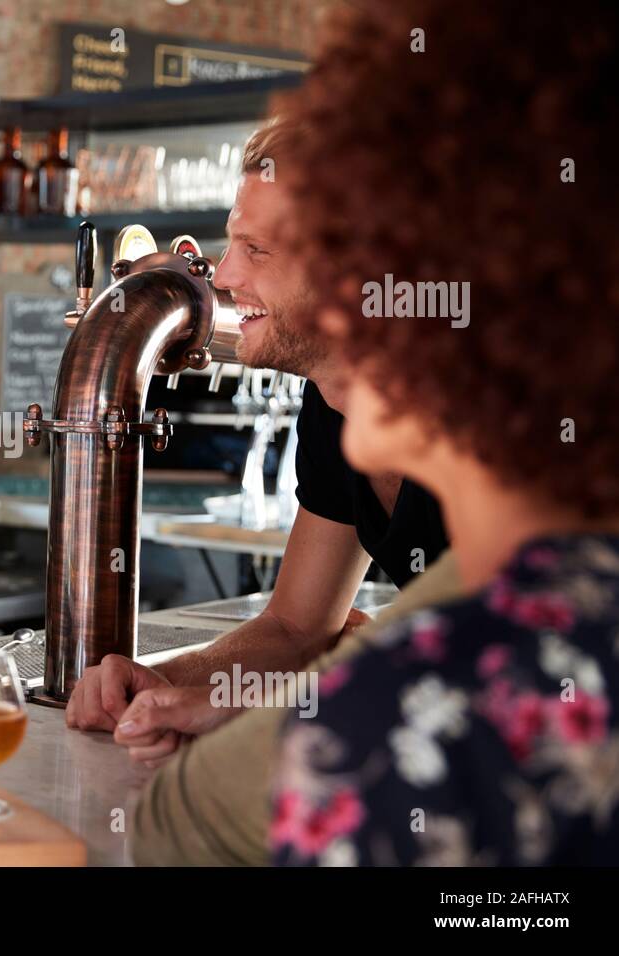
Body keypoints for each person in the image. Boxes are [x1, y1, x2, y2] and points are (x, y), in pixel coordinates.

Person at [148, 0, 619, 865]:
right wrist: (219, 685)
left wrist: (310, 698)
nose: (223, 276)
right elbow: (308, 628)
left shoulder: (406, 716)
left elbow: (183, 825)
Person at [67, 118, 450, 763]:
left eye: (257, 250)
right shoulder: (332, 404)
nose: (223, 275)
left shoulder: (484, 413)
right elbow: (298, 626)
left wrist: (294, 695)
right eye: (230, 245)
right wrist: (166, 682)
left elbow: (522, 654)